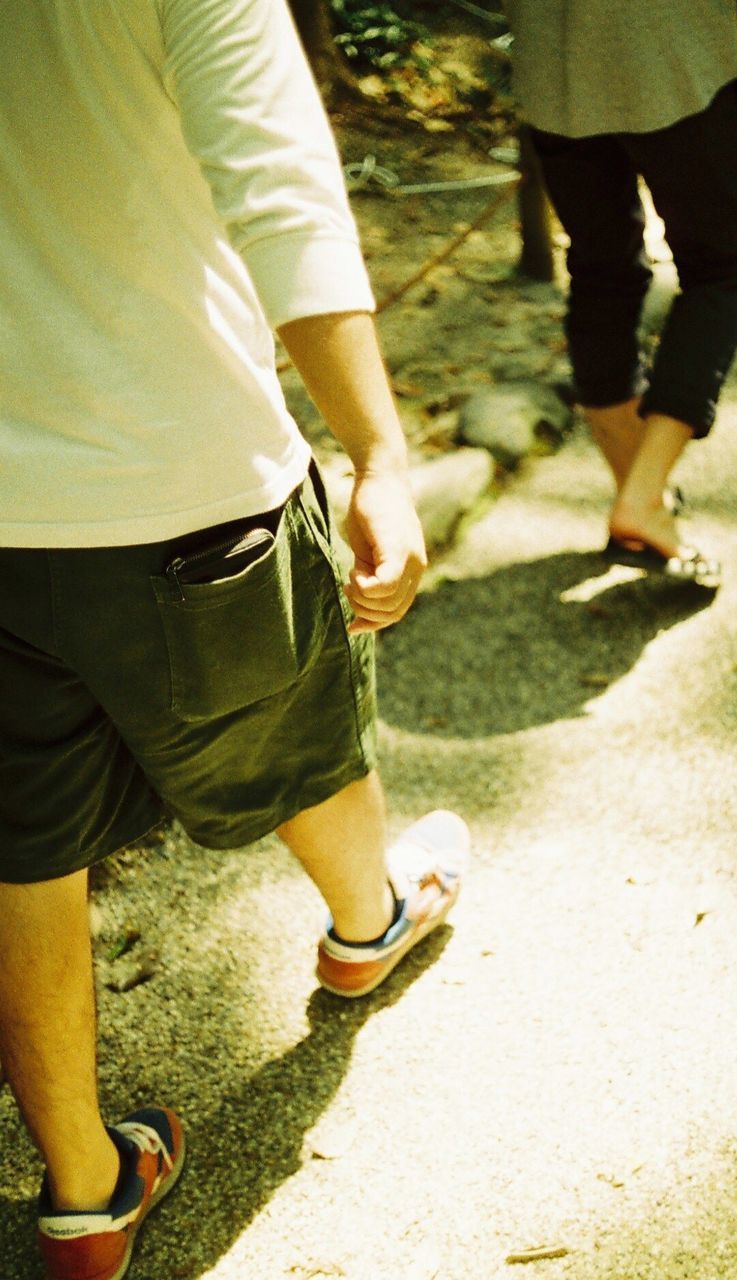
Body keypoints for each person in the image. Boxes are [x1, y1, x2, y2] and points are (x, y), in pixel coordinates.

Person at [0, 2, 469, 1278]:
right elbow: (281, 195)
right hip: (182, 475)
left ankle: (86, 1191)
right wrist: (375, 448)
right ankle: (367, 923)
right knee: (299, 723)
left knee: (17, 849)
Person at [504, 0, 737, 580]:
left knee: (601, 270)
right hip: (672, 53)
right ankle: (642, 498)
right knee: (720, 268)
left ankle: (640, 501)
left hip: (555, 69)